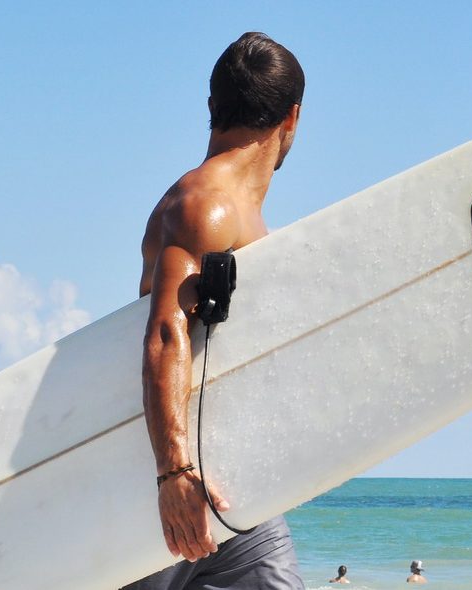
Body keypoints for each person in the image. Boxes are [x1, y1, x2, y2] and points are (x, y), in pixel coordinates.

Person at [124, 32, 305, 590]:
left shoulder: (233, 209)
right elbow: (165, 335)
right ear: (292, 119)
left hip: (228, 474)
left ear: (211, 107)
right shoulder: (209, 206)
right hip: (171, 474)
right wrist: (173, 471)